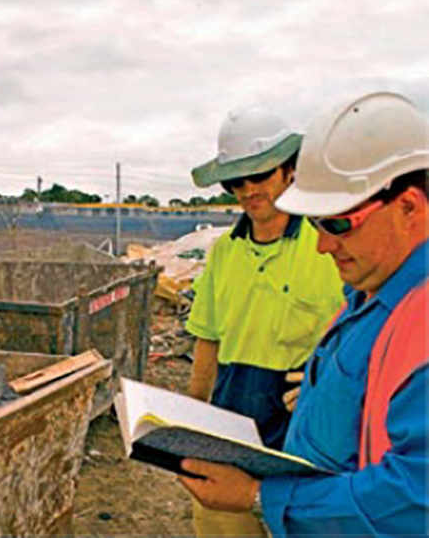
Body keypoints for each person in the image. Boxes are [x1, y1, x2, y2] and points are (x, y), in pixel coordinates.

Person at [180, 91, 429, 537]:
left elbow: (415, 496)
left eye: (337, 223)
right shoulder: (370, 289)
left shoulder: (412, 312)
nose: (322, 245)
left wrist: (260, 498)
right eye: (315, 225)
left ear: (408, 206)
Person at [186, 107, 344, 536]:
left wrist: (324, 380)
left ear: (289, 170)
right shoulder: (223, 253)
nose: (248, 189)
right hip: (231, 436)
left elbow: (367, 334)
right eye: (237, 181)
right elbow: (207, 342)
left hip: (307, 445)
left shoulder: (330, 246)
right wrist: (190, 424)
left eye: (260, 175)